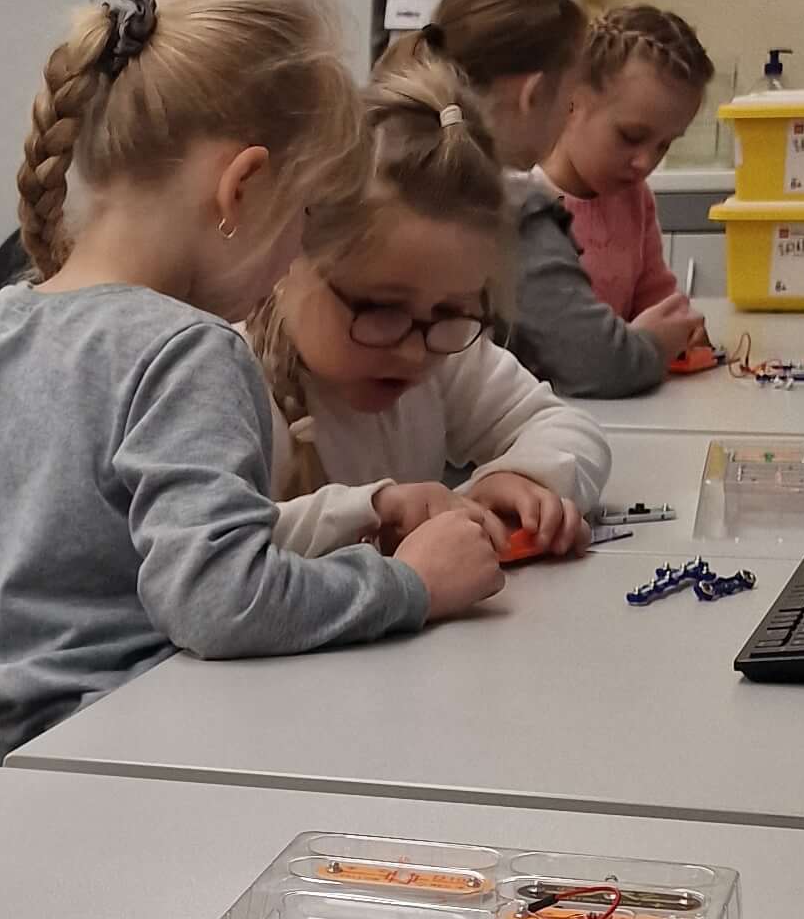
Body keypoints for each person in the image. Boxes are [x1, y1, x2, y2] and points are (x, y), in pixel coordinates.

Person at [0, 0, 504, 760]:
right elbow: (219, 600)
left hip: (9, 767)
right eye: (306, 215)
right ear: (241, 188)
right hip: (138, 760)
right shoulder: (188, 350)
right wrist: (414, 587)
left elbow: (120, 556)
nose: (297, 253)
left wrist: (353, 514)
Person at [254, 46, 610, 560]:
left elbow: (572, 430)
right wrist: (374, 511)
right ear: (289, 255)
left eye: (450, 311)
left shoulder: (443, 356)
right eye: (381, 308)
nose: (414, 351)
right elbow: (209, 554)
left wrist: (520, 478)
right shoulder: (226, 382)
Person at [506, 1, 716, 398]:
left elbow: (656, 297)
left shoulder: (635, 200)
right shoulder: (527, 209)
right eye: (631, 136)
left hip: (622, 404)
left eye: (664, 145)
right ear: (570, 103)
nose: (645, 162)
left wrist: (682, 326)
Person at [409, 0, 589, 175]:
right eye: (570, 103)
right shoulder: (502, 194)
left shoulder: (395, 164)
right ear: (533, 94)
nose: (569, 118)